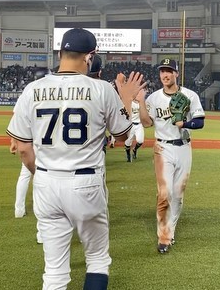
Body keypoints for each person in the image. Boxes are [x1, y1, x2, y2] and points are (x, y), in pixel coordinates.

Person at [7, 28, 145, 290]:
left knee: (54, 271)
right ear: (89, 57)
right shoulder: (101, 89)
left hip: (46, 183)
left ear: (60, 53)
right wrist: (126, 100)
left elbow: (23, 148)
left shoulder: (32, 89)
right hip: (85, 183)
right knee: (97, 260)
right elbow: (123, 136)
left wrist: (42, 174)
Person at [138, 58, 205, 254]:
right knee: (164, 194)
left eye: (169, 71)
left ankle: (170, 230)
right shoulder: (154, 98)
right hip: (162, 148)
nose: (165, 75)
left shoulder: (190, 95)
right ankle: (164, 237)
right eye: (162, 71)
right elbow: (147, 123)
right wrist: (141, 101)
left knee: (177, 195)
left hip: (184, 148)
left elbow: (200, 122)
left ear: (176, 73)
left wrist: (185, 124)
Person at [123, 97, 145, 162]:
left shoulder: (142, 103)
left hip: (139, 124)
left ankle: (135, 149)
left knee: (140, 140)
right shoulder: (129, 103)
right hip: (130, 125)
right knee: (127, 142)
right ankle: (128, 155)